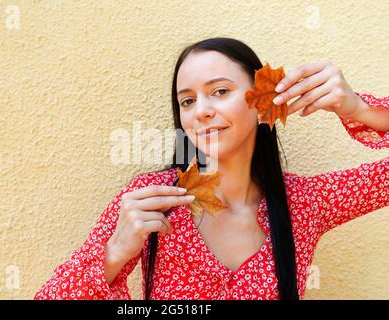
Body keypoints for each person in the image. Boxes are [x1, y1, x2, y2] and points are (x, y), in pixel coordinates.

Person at [34, 37, 388, 300]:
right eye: (187, 100)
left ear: (263, 104)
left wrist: (360, 110)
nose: (200, 110)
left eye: (219, 91)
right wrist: (114, 253)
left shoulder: (305, 203)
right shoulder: (149, 201)